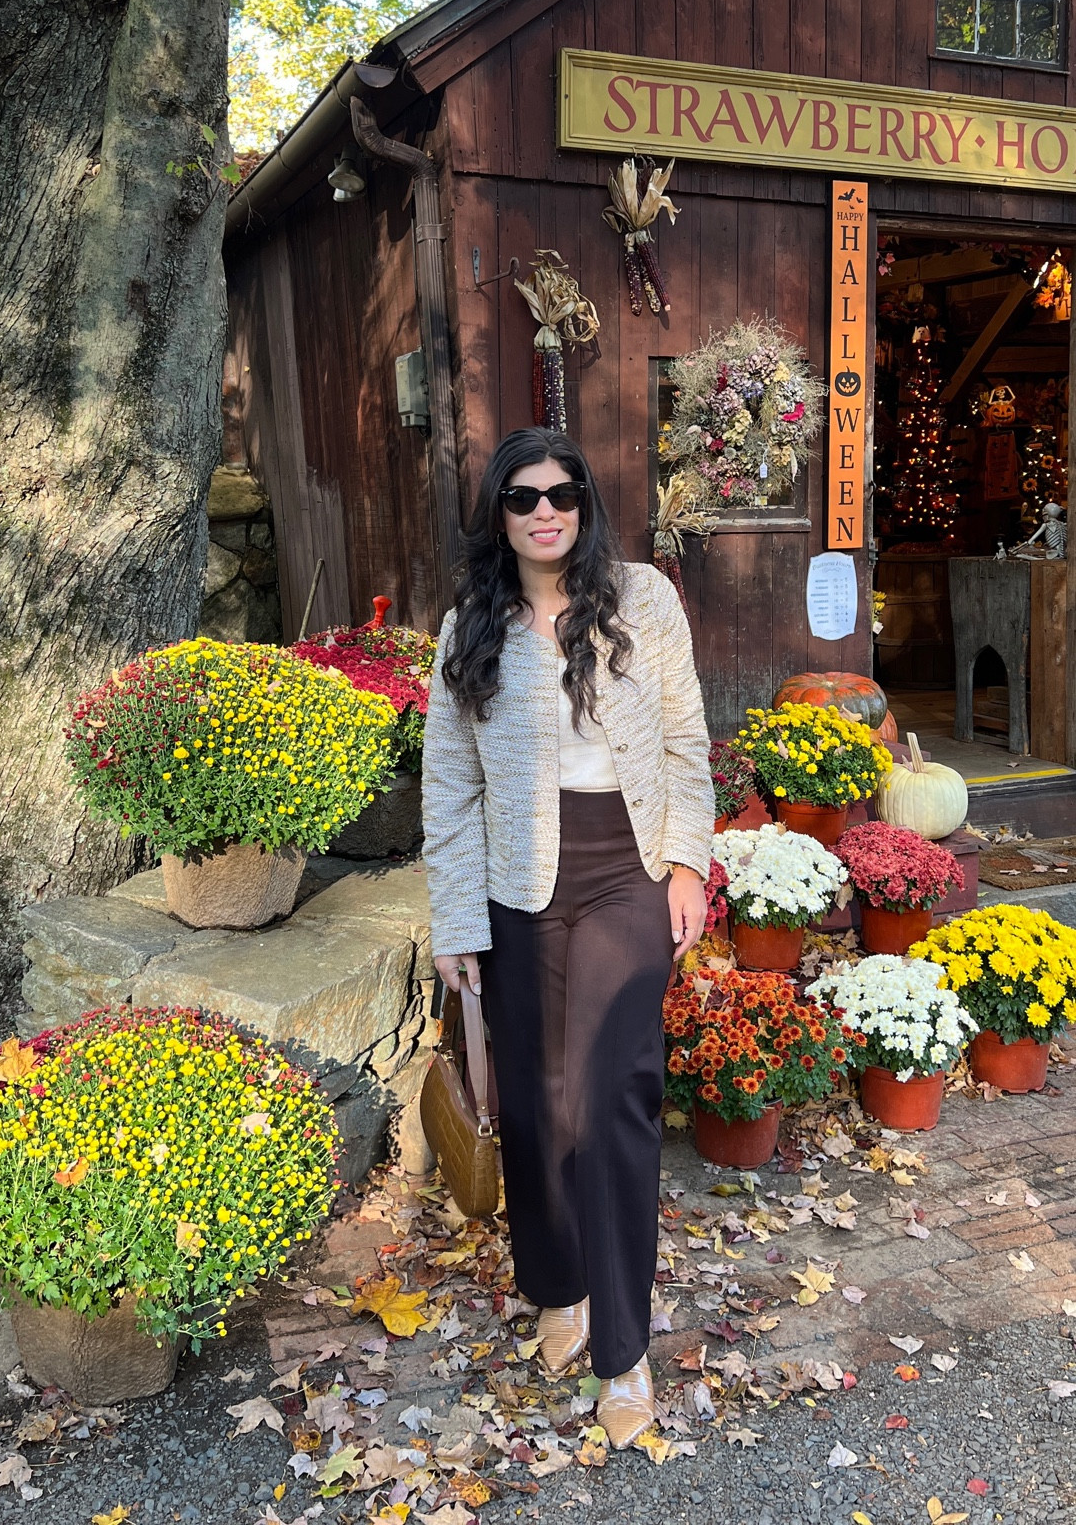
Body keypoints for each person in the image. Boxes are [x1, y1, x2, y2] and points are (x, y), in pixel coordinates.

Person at [422, 427, 714, 1448]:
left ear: (586, 502)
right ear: (497, 515)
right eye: (522, 495)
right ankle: (558, 1288)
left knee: (616, 1100)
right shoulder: (473, 623)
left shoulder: (644, 599)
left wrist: (687, 866)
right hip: (517, 885)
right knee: (542, 1108)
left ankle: (624, 1351)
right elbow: (452, 788)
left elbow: (685, 741)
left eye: (564, 491)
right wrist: (455, 920)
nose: (546, 510)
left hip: (625, 870)